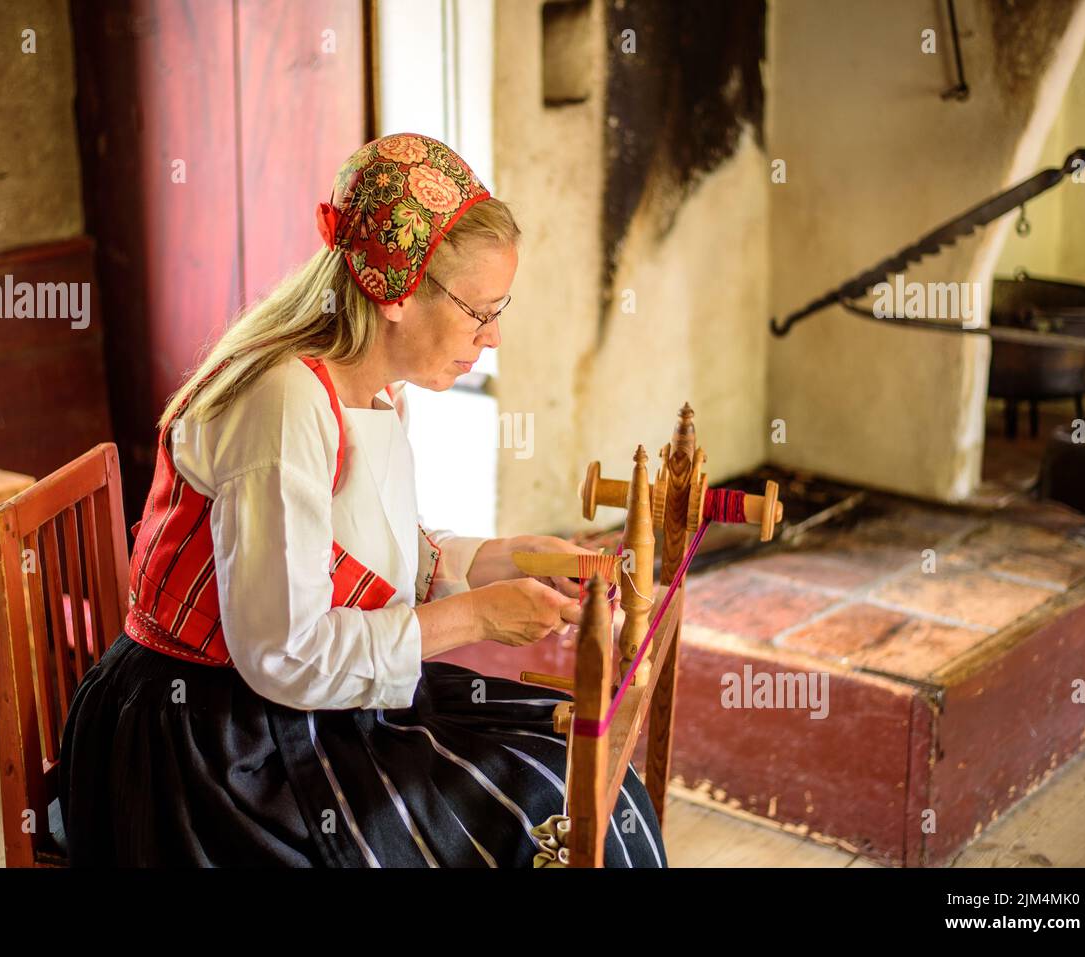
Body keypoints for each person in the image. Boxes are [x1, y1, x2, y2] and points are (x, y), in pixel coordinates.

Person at [59, 132, 666, 867]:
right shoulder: (283, 402)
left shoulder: (369, 388)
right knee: (533, 814)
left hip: (281, 705)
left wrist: (515, 558)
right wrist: (473, 616)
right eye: (481, 309)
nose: (494, 335)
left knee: (571, 763)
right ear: (397, 289)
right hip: (207, 742)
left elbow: (377, 553)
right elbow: (286, 652)